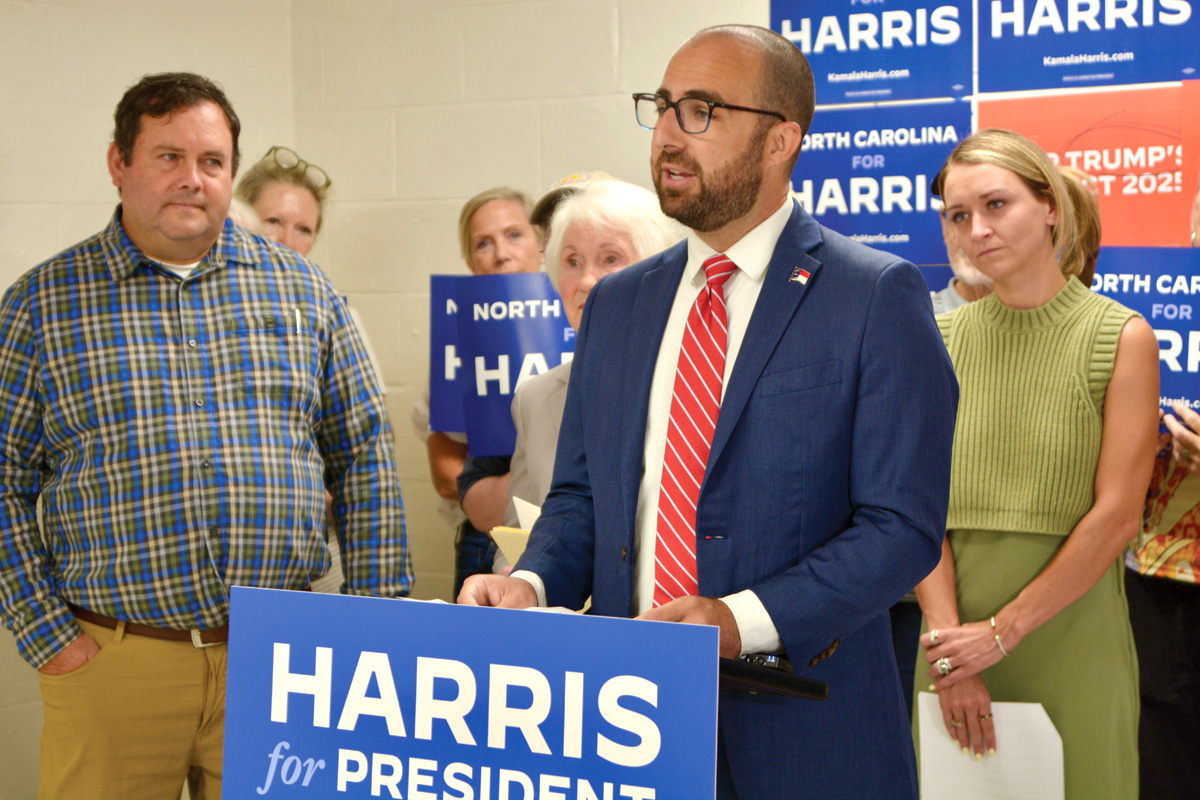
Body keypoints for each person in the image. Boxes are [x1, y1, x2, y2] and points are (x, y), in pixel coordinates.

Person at [460, 25, 958, 799]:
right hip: (630, 731)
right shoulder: (621, 306)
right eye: (660, 108)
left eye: (700, 111)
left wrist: (739, 620)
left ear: (780, 140)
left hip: (809, 737)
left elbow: (902, 529)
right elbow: (583, 496)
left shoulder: (873, 297)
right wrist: (530, 583)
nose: (665, 134)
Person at [0, 72, 411, 800]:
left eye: (213, 162)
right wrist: (47, 636)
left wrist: (373, 620)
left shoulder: (305, 294)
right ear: (118, 163)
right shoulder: (40, 307)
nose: (192, 179)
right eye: (168, 157)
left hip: (282, 660)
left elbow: (363, 458)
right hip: (118, 666)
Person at [913, 129, 1158, 799]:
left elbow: (1116, 516)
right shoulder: (935, 338)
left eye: (996, 205)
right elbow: (914, 506)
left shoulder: (1120, 336)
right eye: (958, 216)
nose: (977, 229)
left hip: (1070, 638)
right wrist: (951, 647)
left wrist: (1002, 633)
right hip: (950, 644)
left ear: (1049, 206)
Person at [235, 145, 387, 593]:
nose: (287, 241)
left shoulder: (332, 314)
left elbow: (367, 440)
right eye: (274, 222)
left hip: (321, 542)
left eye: (304, 229)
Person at [504, 179, 685, 528]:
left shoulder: (702, 381)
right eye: (572, 261)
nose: (587, 280)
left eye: (610, 258)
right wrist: (514, 573)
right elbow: (518, 530)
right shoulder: (534, 399)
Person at [411, 187, 542, 596]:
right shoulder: (455, 348)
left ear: (541, 243)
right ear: (470, 262)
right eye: (484, 243)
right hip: (484, 541)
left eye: (515, 235)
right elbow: (448, 478)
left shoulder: (585, 321)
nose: (501, 253)